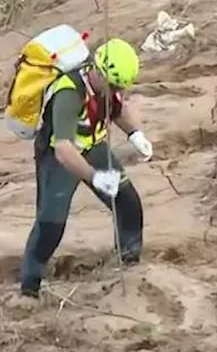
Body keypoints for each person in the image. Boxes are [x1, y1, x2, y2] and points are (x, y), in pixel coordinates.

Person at [18, 38, 154, 300]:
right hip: (59, 159)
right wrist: (96, 178)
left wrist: (135, 134)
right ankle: (29, 288)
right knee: (50, 224)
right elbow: (64, 150)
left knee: (127, 203)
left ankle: (128, 263)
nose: (116, 90)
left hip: (94, 147)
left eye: (120, 86)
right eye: (113, 84)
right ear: (99, 72)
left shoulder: (107, 86)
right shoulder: (69, 93)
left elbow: (117, 108)